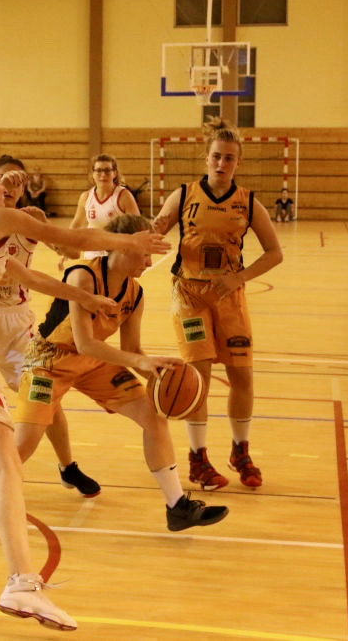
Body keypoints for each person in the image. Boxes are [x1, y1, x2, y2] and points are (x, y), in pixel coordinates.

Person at [0, 155, 171, 631]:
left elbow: (28, 277)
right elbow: (70, 239)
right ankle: (22, 582)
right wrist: (129, 240)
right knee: (6, 467)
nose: (5, 185)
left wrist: (84, 297)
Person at [14, 214, 228, 531]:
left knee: (153, 416)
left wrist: (159, 373)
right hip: (49, 362)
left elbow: (132, 349)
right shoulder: (83, 276)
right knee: (24, 444)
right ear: (122, 246)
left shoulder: (135, 293)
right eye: (144, 253)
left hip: (93, 364)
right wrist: (140, 363)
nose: (149, 261)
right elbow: (85, 343)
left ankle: (177, 507)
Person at [0, 159, 102, 545]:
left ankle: (67, 466)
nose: (9, 186)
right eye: (2, 179)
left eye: (16, 182)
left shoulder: (30, 219)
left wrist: (53, 229)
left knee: (44, 396)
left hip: (19, 323)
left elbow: (67, 249)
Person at [151, 118, 283, 491]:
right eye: (216, 156)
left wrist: (240, 277)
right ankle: (198, 459)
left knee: (242, 377)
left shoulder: (249, 202)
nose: (221, 163)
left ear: (237, 162)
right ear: (205, 158)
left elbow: (275, 253)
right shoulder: (183, 195)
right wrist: (135, 232)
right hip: (189, 295)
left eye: (228, 158)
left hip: (229, 296)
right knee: (199, 377)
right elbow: (154, 230)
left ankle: (240, 452)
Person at [61, 153, 140, 260]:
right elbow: (77, 224)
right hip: (91, 254)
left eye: (107, 170)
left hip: (116, 256)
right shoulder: (86, 197)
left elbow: (137, 227)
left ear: (115, 173)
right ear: (93, 174)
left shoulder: (124, 196)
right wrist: (67, 248)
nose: (103, 174)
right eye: (98, 170)